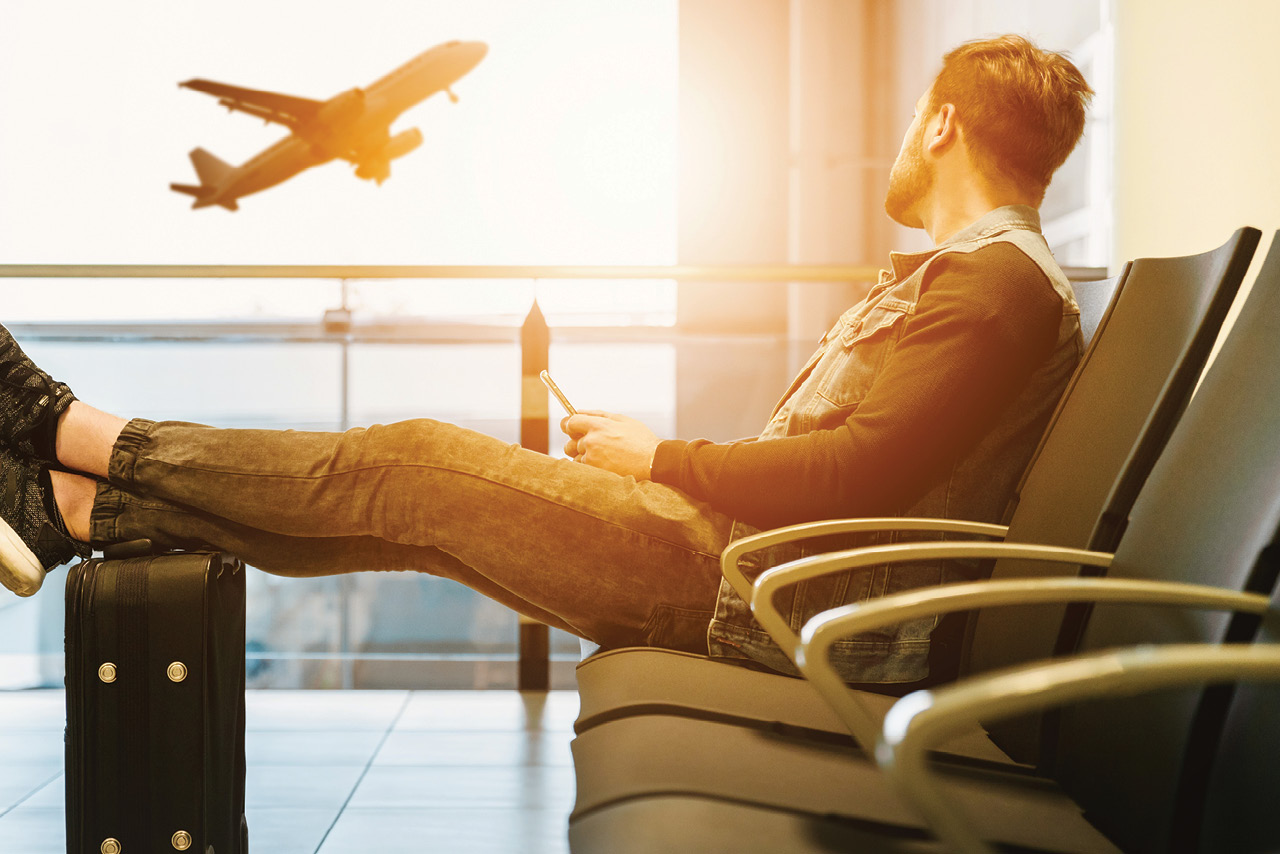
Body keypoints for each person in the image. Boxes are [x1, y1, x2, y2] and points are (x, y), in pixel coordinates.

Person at [0, 35, 1092, 687]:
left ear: (943, 123)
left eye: (912, 117)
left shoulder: (990, 287)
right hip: (749, 574)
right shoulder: (981, 279)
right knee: (404, 515)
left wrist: (658, 456)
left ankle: (63, 426)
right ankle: (71, 509)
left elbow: (854, 475)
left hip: (751, 593)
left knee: (405, 462)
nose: (904, 136)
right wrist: (660, 463)